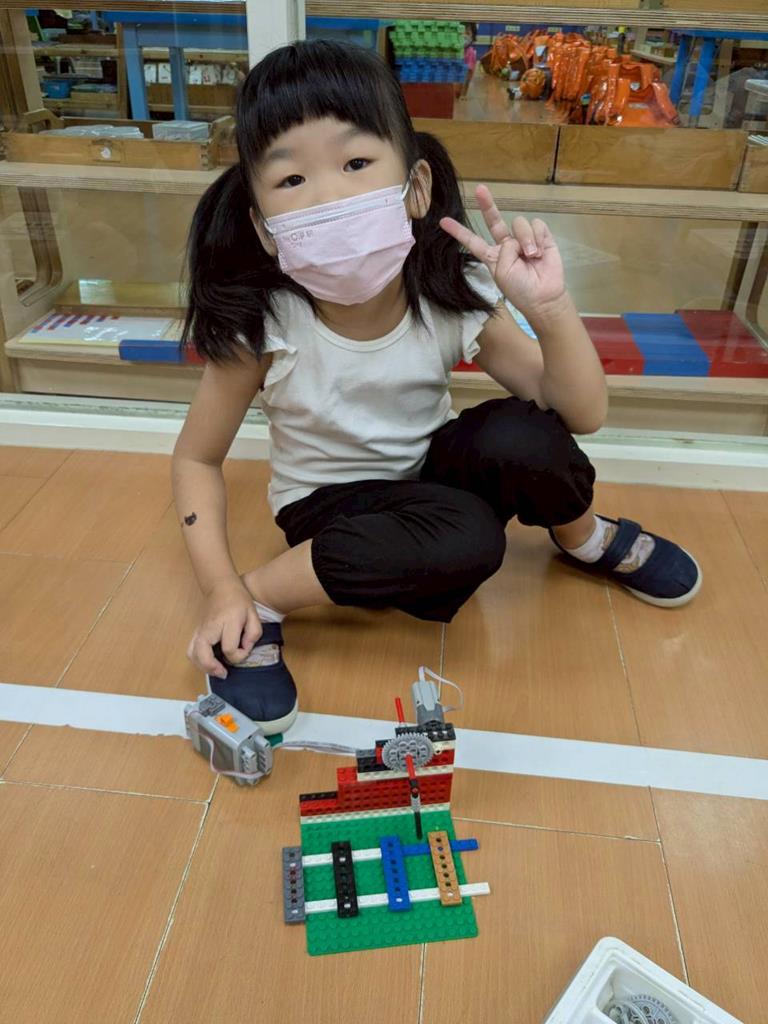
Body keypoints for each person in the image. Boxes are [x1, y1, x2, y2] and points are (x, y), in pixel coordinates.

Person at [172, 39, 701, 737]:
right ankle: (262, 600)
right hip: (331, 508)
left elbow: (581, 412)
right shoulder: (266, 324)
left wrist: (549, 308)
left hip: (429, 476)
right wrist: (221, 587)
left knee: (525, 433)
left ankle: (583, 538)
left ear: (416, 187)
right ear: (264, 228)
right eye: (292, 179)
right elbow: (196, 458)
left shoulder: (447, 291)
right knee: (467, 539)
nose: (329, 196)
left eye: (356, 163)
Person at [458, 22, 478, 100]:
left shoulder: (470, 53)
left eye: (468, 33)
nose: (464, 36)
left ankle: (463, 94)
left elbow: (468, 76)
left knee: (466, 76)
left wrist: (463, 94)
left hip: (468, 54)